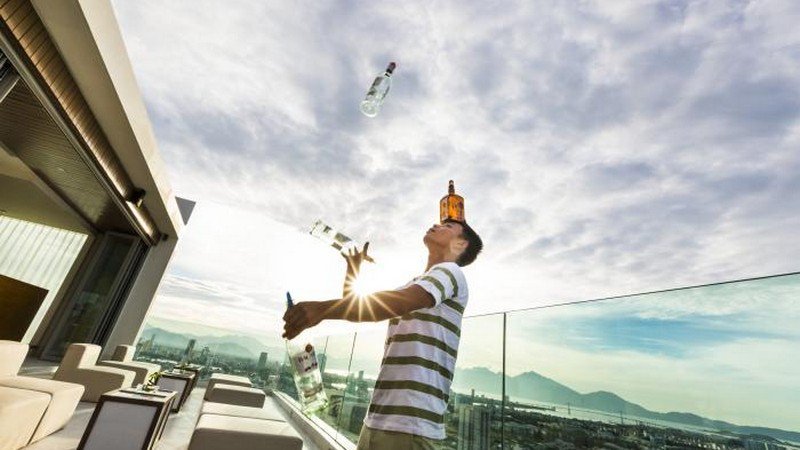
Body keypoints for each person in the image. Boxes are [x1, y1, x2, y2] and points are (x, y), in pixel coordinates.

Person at [283, 218, 483, 449]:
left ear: (461, 245)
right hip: (378, 419)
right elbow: (358, 309)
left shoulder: (451, 272)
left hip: (410, 425)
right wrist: (353, 269)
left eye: (447, 226)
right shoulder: (415, 284)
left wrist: (322, 309)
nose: (437, 225)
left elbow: (395, 303)